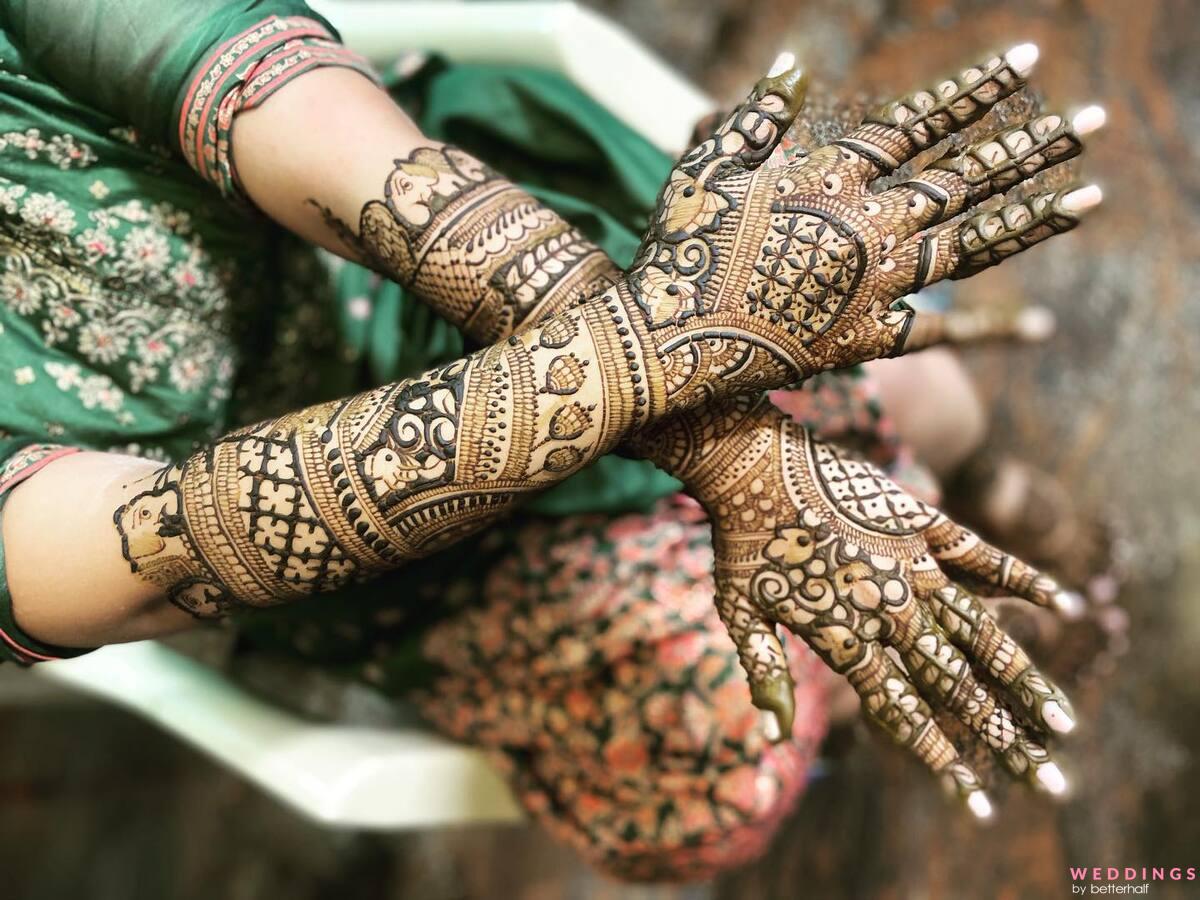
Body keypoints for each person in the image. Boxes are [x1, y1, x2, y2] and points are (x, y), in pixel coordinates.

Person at [0, 0, 1105, 879]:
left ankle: (950, 495)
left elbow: (334, 151)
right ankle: (873, 620)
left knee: (934, 395)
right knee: (714, 781)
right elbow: (171, 547)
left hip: (453, 274)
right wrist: (713, 412)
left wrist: (702, 409)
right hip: (376, 544)